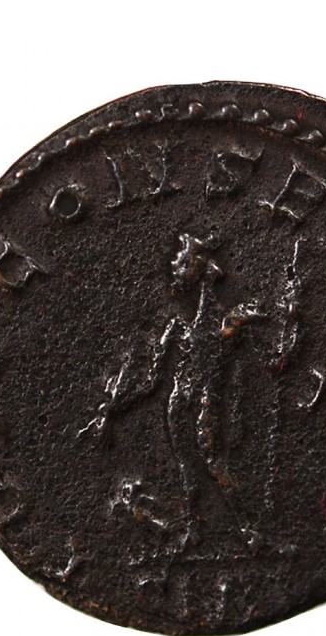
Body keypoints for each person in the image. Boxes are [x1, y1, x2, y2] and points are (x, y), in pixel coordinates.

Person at [82, 232, 266, 552]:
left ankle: (248, 529)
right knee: (188, 473)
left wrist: (289, 318)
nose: (174, 267)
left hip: (207, 404)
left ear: (198, 269)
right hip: (178, 406)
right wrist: (113, 412)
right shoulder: (177, 328)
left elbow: (273, 360)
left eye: (181, 262)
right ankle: (195, 532)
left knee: (213, 463)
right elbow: (151, 381)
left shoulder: (230, 322)